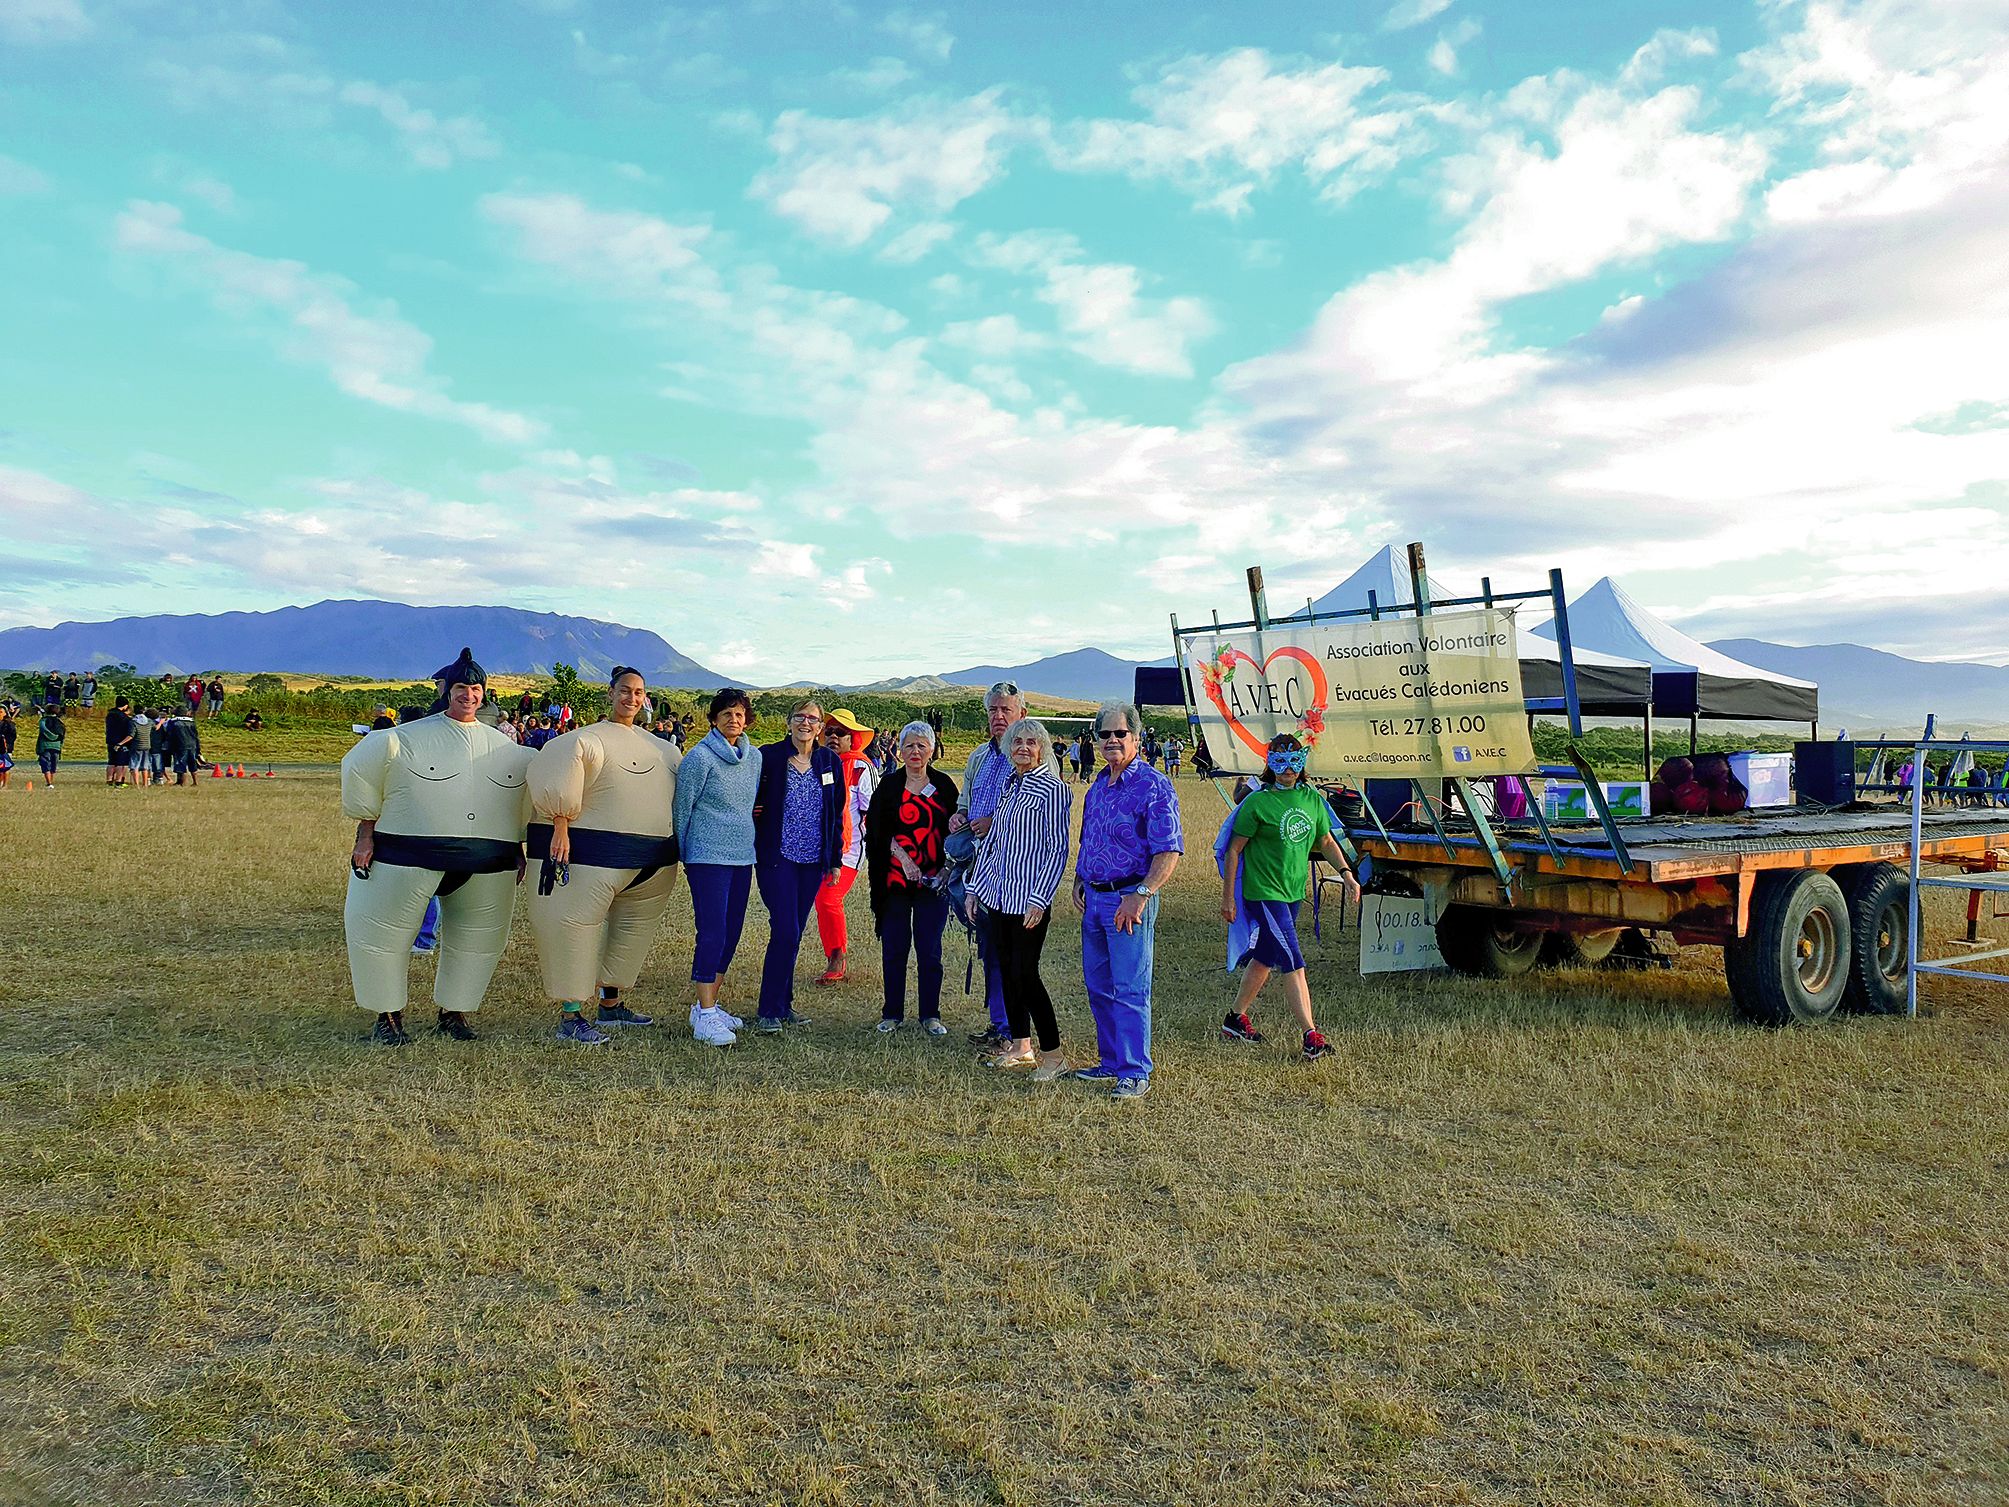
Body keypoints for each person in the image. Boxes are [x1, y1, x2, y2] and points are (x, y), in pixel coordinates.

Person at [341, 648, 532, 1047]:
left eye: (476, 688)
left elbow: (516, 803)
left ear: (485, 694)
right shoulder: (399, 740)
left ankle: (454, 1012)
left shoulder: (508, 750)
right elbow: (362, 769)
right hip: (406, 856)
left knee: (479, 938)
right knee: (382, 933)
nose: (469, 695)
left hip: (485, 861)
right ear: (448, 691)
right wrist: (365, 834)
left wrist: (517, 846)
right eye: (462, 687)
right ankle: (387, 1016)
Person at [527, 667, 684, 1045]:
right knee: (573, 926)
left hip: (652, 860)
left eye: (639, 692)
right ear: (610, 693)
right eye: (625, 691)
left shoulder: (665, 750)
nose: (632, 698)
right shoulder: (581, 741)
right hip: (589, 856)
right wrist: (560, 825)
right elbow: (558, 784)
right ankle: (570, 1016)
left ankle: (611, 1005)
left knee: (632, 932)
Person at [1219, 734, 1357, 1063]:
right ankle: (1312, 1036)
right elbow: (1233, 850)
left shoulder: (1311, 799)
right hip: (1263, 894)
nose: (1287, 770)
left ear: (1303, 762)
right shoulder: (1257, 803)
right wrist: (1228, 897)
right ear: (1269, 764)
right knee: (1293, 961)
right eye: (1279, 762)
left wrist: (1347, 872)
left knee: (1265, 957)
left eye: (1294, 762)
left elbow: (1324, 840)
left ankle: (1235, 1020)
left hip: (1293, 892)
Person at [1071, 701, 1183, 1100]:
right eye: (1105, 734)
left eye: (1120, 733)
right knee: (1099, 986)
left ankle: (1135, 1070)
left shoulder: (1154, 785)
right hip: (1095, 901)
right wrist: (1080, 880)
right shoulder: (1098, 786)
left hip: (1130, 899)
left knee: (1131, 986)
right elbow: (1089, 841)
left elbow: (1167, 850)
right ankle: (1111, 1062)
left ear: (1136, 736)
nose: (1113, 740)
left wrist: (1141, 894)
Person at [950, 681, 1060, 1049]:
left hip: (1021, 878)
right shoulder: (980, 757)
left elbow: (1044, 830)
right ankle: (1004, 1026)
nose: (998, 717)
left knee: (1016, 962)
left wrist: (992, 823)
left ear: (1022, 715)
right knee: (990, 948)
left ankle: (1021, 1036)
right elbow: (966, 799)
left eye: (1006, 711)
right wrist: (962, 815)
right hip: (984, 871)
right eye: (993, 710)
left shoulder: (1041, 764)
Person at [966, 717, 1073, 1080]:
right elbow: (993, 843)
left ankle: (1054, 1055)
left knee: (1027, 975)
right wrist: (974, 888)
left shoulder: (1053, 789)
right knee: (1007, 973)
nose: (1023, 748)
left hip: (1028, 899)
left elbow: (1057, 850)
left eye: (1031, 742)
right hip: (998, 895)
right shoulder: (1010, 784)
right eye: (1017, 742)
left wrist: (1040, 899)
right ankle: (1020, 1045)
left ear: (1042, 747)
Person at [671, 687, 762, 1047]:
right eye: (726, 713)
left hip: (742, 854)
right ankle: (705, 1016)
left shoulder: (753, 758)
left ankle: (707, 1005)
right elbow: (682, 807)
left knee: (732, 931)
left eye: (739, 713)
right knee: (712, 932)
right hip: (707, 856)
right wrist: (685, 851)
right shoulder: (699, 758)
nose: (734, 719)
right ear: (713, 719)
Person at [751, 699, 844, 1033]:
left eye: (813, 719)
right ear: (789, 722)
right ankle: (768, 1010)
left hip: (812, 862)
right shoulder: (770, 757)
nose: (806, 723)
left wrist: (834, 858)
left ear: (820, 727)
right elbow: (753, 800)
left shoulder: (828, 760)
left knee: (794, 932)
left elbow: (836, 814)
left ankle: (783, 1004)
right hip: (778, 858)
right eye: (800, 717)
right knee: (786, 930)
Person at [865, 721, 958, 1035]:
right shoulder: (888, 786)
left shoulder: (944, 785)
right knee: (895, 948)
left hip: (934, 882)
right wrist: (904, 859)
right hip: (894, 882)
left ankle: (930, 1014)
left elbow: (957, 834)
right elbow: (876, 832)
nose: (915, 751)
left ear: (931, 750)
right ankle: (892, 1013)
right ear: (899, 750)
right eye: (909, 746)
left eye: (922, 745)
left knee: (930, 950)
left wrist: (947, 869)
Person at [813, 708, 877, 985]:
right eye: (829, 731)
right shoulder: (816, 763)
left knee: (828, 899)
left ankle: (837, 957)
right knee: (816, 901)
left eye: (842, 733)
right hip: (815, 846)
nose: (834, 737)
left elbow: (873, 812)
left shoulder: (862, 768)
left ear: (854, 740)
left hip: (847, 850)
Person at [103, 696, 136, 787]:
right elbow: (129, 732)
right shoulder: (125, 718)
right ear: (125, 705)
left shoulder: (110, 714)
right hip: (121, 742)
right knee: (121, 762)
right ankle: (118, 781)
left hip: (110, 741)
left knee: (111, 762)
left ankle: (109, 780)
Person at [35, 705, 65, 787]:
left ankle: (49, 783)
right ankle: (51, 781)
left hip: (45, 745)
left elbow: (42, 729)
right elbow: (63, 735)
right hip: (56, 746)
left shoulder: (43, 721)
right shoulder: (60, 722)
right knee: (53, 765)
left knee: (46, 764)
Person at [0, 703, 15, 788]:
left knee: (5, 767)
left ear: (5, 713)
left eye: (1, 712)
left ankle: (5, 785)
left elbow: (12, 736)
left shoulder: (9, 724)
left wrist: (7, 745)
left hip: (5, 749)